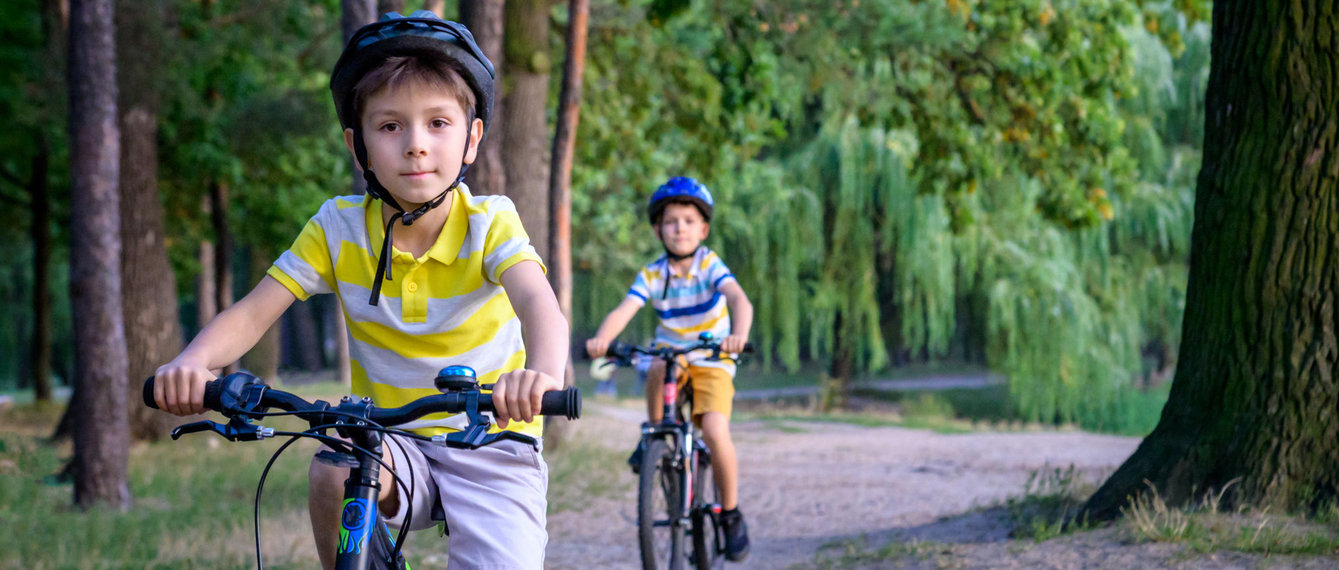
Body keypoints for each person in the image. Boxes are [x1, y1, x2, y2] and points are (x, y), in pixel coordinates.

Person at [151, 11, 567, 569]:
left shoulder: (489, 222)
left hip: (491, 441)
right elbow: (252, 315)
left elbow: (539, 304)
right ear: (359, 147)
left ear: (472, 139)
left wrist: (539, 374)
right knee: (334, 464)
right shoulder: (337, 227)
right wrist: (193, 361)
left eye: (438, 123)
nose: (416, 145)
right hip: (391, 442)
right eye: (391, 126)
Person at [585, 176, 755, 562]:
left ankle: (730, 514)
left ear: (703, 229)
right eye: (672, 221)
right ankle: (656, 440)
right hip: (672, 356)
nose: (680, 228)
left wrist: (738, 335)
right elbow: (623, 310)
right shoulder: (652, 274)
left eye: (689, 221)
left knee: (713, 429)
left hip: (711, 356)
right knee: (659, 363)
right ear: (658, 229)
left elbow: (739, 300)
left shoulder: (709, 264)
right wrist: (601, 339)